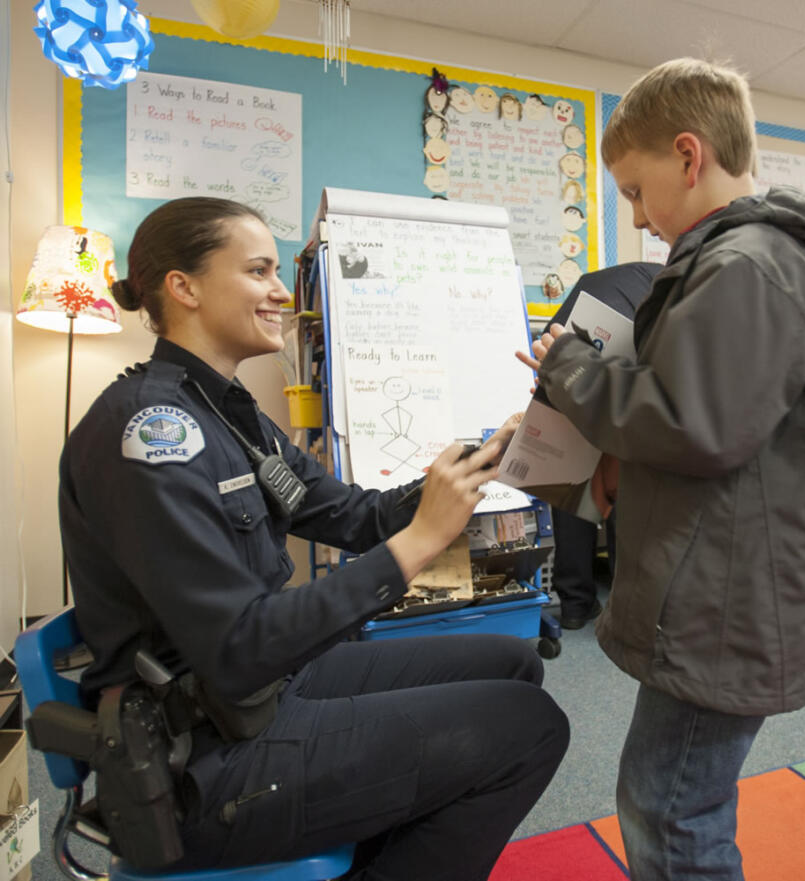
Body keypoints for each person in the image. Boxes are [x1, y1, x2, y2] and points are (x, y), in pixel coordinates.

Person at [60, 197, 569, 881]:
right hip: (204, 761)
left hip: (263, 693)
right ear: (183, 287)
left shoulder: (230, 414)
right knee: (531, 725)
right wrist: (418, 544)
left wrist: (495, 454)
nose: (280, 291)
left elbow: (355, 515)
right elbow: (240, 648)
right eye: (259, 270)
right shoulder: (152, 435)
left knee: (515, 665)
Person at [517, 58, 805, 881]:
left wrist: (571, 369)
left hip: (725, 592)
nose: (636, 219)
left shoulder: (747, 263)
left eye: (637, 191)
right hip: (717, 576)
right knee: (674, 798)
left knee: (671, 809)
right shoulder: (734, 260)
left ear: (687, 154)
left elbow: (693, 423)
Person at [547, 262, 662, 631]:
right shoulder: (679, 284)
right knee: (622, 480)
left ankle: (575, 604)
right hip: (619, 343)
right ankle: (622, 604)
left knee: (572, 479)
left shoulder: (630, 277)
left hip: (567, 339)